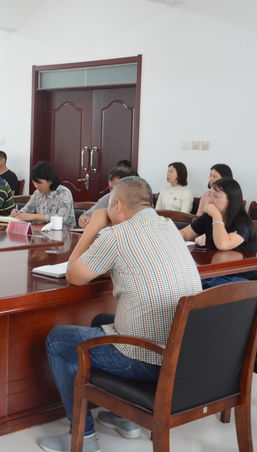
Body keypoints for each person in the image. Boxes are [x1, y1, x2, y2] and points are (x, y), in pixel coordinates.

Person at [40, 177, 201, 452]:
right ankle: (125, 415)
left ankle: (82, 436)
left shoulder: (116, 235)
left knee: (58, 340)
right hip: (184, 354)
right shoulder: (169, 227)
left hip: (149, 358)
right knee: (100, 321)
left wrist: (94, 226)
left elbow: (74, 275)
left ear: (116, 204)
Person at [180, 178, 257, 288]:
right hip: (213, 273)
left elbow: (223, 245)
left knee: (199, 290)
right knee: (181, 284)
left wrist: (216, 216)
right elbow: (185, 234)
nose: (210, 201)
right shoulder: (209, 217)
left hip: (239, 277)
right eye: (210, 195)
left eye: (216, 196)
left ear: (231, 199)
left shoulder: (243, 222)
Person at [11, 161, 74, 226]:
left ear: (50, 181)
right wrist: (18, 213)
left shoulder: (64, 193)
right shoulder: (37, 193)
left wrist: (35, 216)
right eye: (34, 182)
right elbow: (27, 210)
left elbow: (61, 219)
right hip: (40, 230)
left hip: (64, 230)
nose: (36, 186)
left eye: (39, 183)